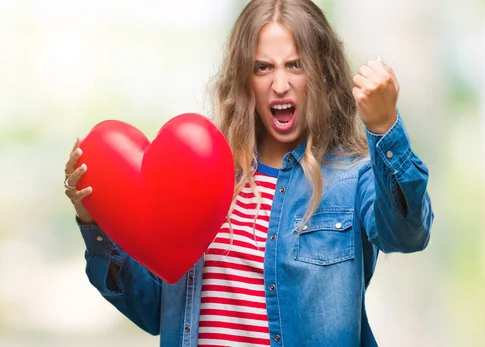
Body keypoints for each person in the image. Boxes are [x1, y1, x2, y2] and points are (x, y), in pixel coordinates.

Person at [63, 1, 433, 346]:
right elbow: (153, 310)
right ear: (245, 79)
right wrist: (93, 221)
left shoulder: (354, 178)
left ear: (321, 74)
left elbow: (408, 233)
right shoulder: (200, 176)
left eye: (295, 65)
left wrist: (385, 128)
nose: (280, 84)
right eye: (263, 67)